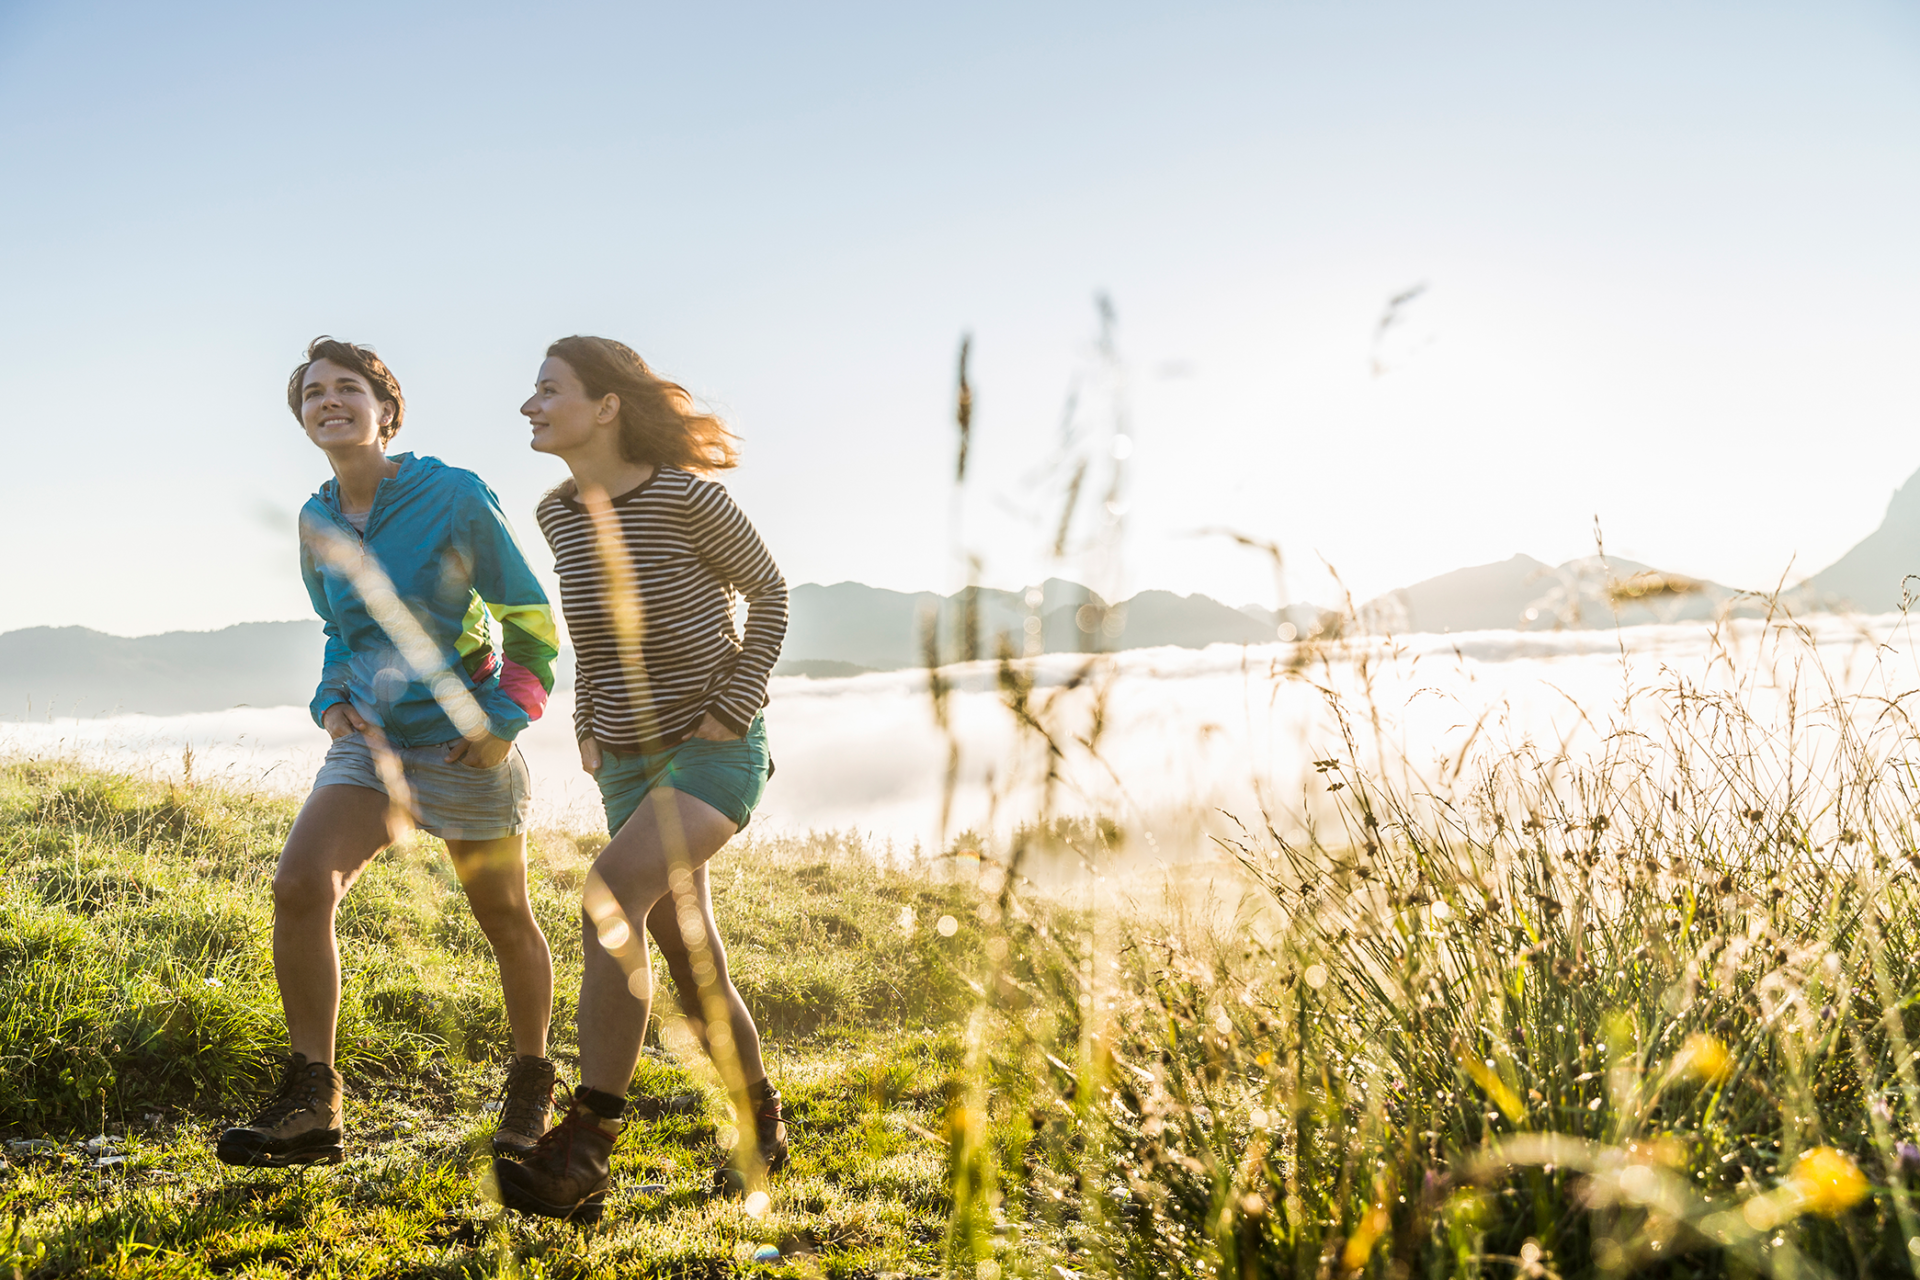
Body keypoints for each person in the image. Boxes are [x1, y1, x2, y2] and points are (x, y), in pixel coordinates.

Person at [217, 337, 563, 1168]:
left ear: (386, 409)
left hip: (464, 740)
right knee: (301, 886)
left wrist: (501, 721)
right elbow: (341, 628)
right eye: (312, 395)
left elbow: (526, 616)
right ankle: (314, 1100)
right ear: (303, 419)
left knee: (504, 918)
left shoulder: (452, 494)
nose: (328, 402)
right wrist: (332, 703)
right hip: (371, 746)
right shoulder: (317, 518)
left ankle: (530, 1087)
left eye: (347, 389)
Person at [493, 335, 788, 1223]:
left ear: (607, 405)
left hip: (712, 747)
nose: (529, 405)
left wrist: (733, 708)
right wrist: (586, 725)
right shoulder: (559, 513)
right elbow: (592, 631)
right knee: (689, 960)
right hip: (623, 754)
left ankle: (587, 1143)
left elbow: (771, 595)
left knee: (609, 900)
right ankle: (760, 1122)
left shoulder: (689, 498)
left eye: (549, 389)